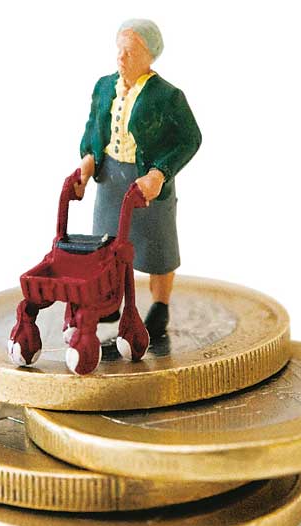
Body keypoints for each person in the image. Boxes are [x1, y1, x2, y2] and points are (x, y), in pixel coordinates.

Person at [75, 18, 201, 338]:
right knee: (107, 244)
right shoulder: (104, 87)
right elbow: (94, 128)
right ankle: (111, 299)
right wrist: (88, 162)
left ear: (149, 56)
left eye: (130, 51)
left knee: (157, 245)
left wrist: (159, 173)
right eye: (119, 49)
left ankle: (160, 305)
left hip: (148, 183)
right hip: (110, 177)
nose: (121, 57)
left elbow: (190, 139)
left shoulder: (167, 96)